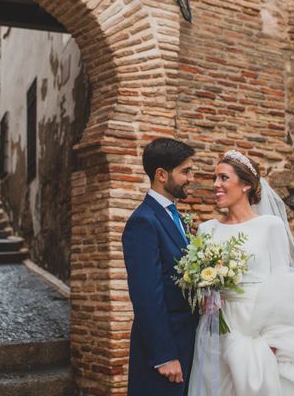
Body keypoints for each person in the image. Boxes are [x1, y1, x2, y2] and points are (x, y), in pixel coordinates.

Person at [188, 149, 294, 396]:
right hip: (216, 328)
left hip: (257, 327)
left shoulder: (270, 226)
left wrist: (275, 343)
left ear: (245, 185)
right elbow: (199, 285)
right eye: (215, 178)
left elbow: (283, 286)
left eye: (223, 178)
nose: (216, 185)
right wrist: (204, 298)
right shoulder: (206, 230)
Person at [122, 138, 200, 396]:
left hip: (186, 343)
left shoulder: (174, 215)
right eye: (185, 171)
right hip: (163, 352)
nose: (191, 177)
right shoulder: (143, 222)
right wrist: (164, 355)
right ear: (161, 175)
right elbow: (147, 296)